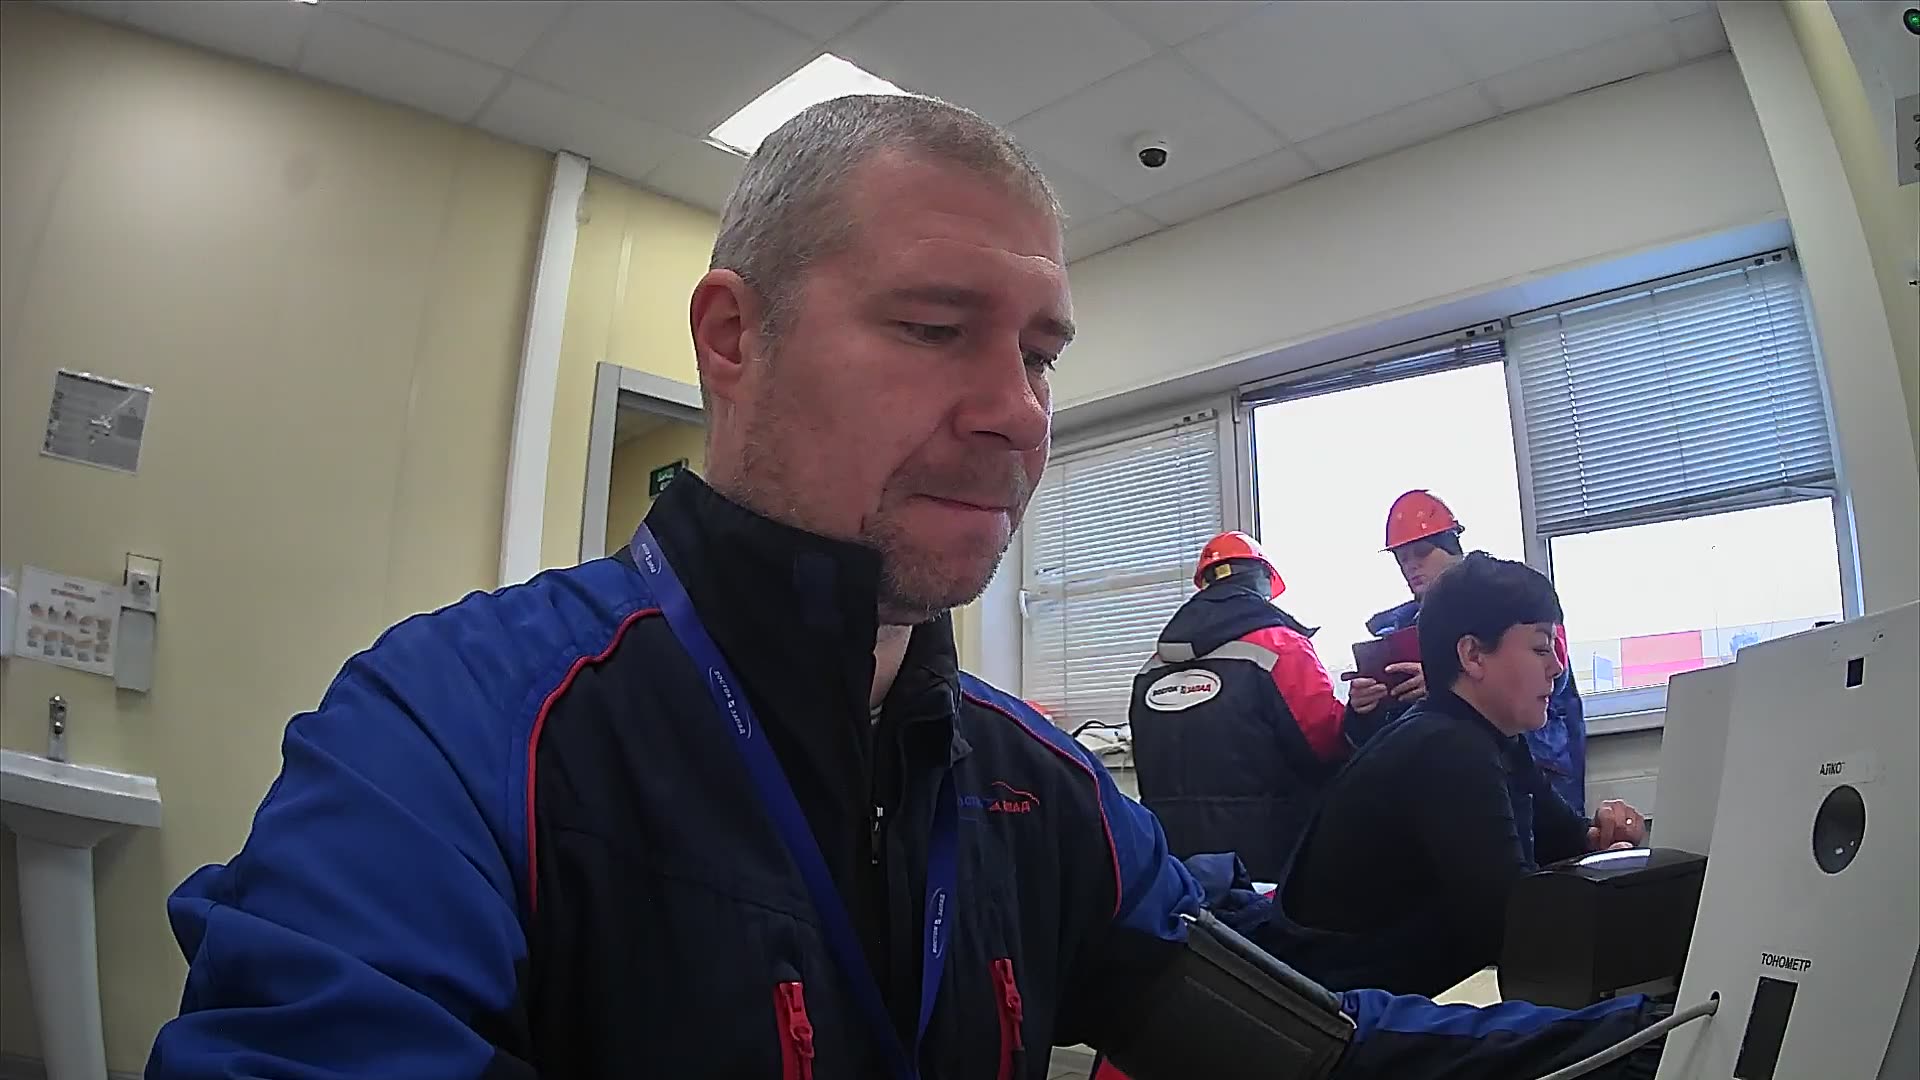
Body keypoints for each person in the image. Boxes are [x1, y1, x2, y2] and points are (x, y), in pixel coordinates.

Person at [149, 95, 1672, 1080]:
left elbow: (1308, 1049)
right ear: (733, 340)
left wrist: (1678, 1033)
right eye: (938, 329)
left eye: (1042, 354)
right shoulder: (451, 728)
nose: (1017, 412)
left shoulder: (1041, 793)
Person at [1264, 553, 1648, 998]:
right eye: (1541, 648)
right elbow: (1511, 925)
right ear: (1473, 655)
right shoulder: (1446, 749)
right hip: (1353, 1005)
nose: (1557, 667)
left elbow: (1563, 838)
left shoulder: (1493, 738)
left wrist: (1602, 837)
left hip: (1399, 988)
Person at [1346, 490, 1588, 812]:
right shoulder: (1397, 630)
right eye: (1402, 558)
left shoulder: (1515, 603)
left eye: (1422, 552)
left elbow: (1546, 678)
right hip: (1451, 778)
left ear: (1452, 546)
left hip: (1534, 763)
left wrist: (1445, 683)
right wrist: (1364, 710)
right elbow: (1386, 739)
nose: (1411, 566)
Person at [1129, 532, 1350, 881]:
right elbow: (1325, 745)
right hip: (1266, 863)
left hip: (1174, 866)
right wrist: (1363, 716)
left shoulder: (1150, 669)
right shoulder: (1281, 647)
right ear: (1262, 583)